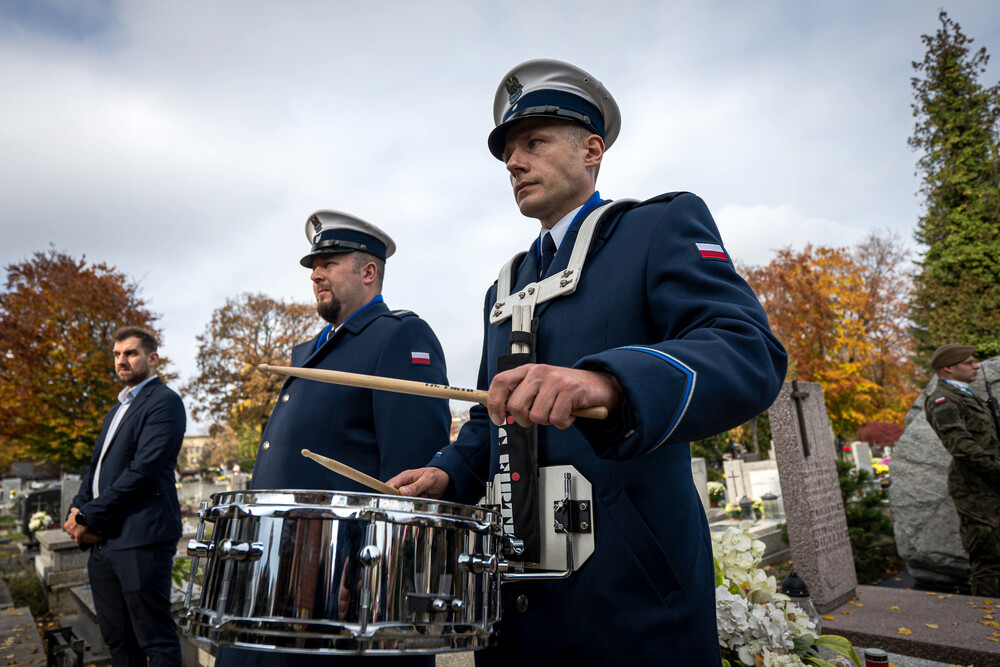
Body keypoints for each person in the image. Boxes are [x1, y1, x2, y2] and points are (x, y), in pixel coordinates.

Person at [388, 59, 787, 666]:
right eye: (508, 153)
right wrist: (447, 474)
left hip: (631, 602)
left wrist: (608, 380)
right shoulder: (504, 288)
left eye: (535, 143)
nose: (514, 163)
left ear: (592, 149)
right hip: (514, 607)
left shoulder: (655, 228)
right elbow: (487, 419)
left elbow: (747, 349)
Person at [214, 211, 450, 667]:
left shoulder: (398, 336)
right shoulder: (309, 351)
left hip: (338, 581)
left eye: (329, 262)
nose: (315, 273)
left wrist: (369, 571)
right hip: (276, 574)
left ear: (368, 271)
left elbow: (410, 476)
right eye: (313, 265)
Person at [65, 326, 186, 666]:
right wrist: (78, 505)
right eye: (117, 354)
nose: (122, 360)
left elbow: (143, 470)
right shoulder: (116, 409)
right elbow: (97, 467)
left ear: (152, 358)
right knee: (118, 638)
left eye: (131, 353)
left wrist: (88, 517)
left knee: (155, 639)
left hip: (141, 537)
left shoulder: (165, 402)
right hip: (103, 546)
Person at [924, 343, 1000, 596]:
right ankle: (986, 620)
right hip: (976, 490)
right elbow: (961, 447)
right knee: (988, 558)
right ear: (948, 367)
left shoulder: (966, 395)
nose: (976, 365)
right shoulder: (942, 400)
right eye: (969, 362)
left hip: (990, 484)